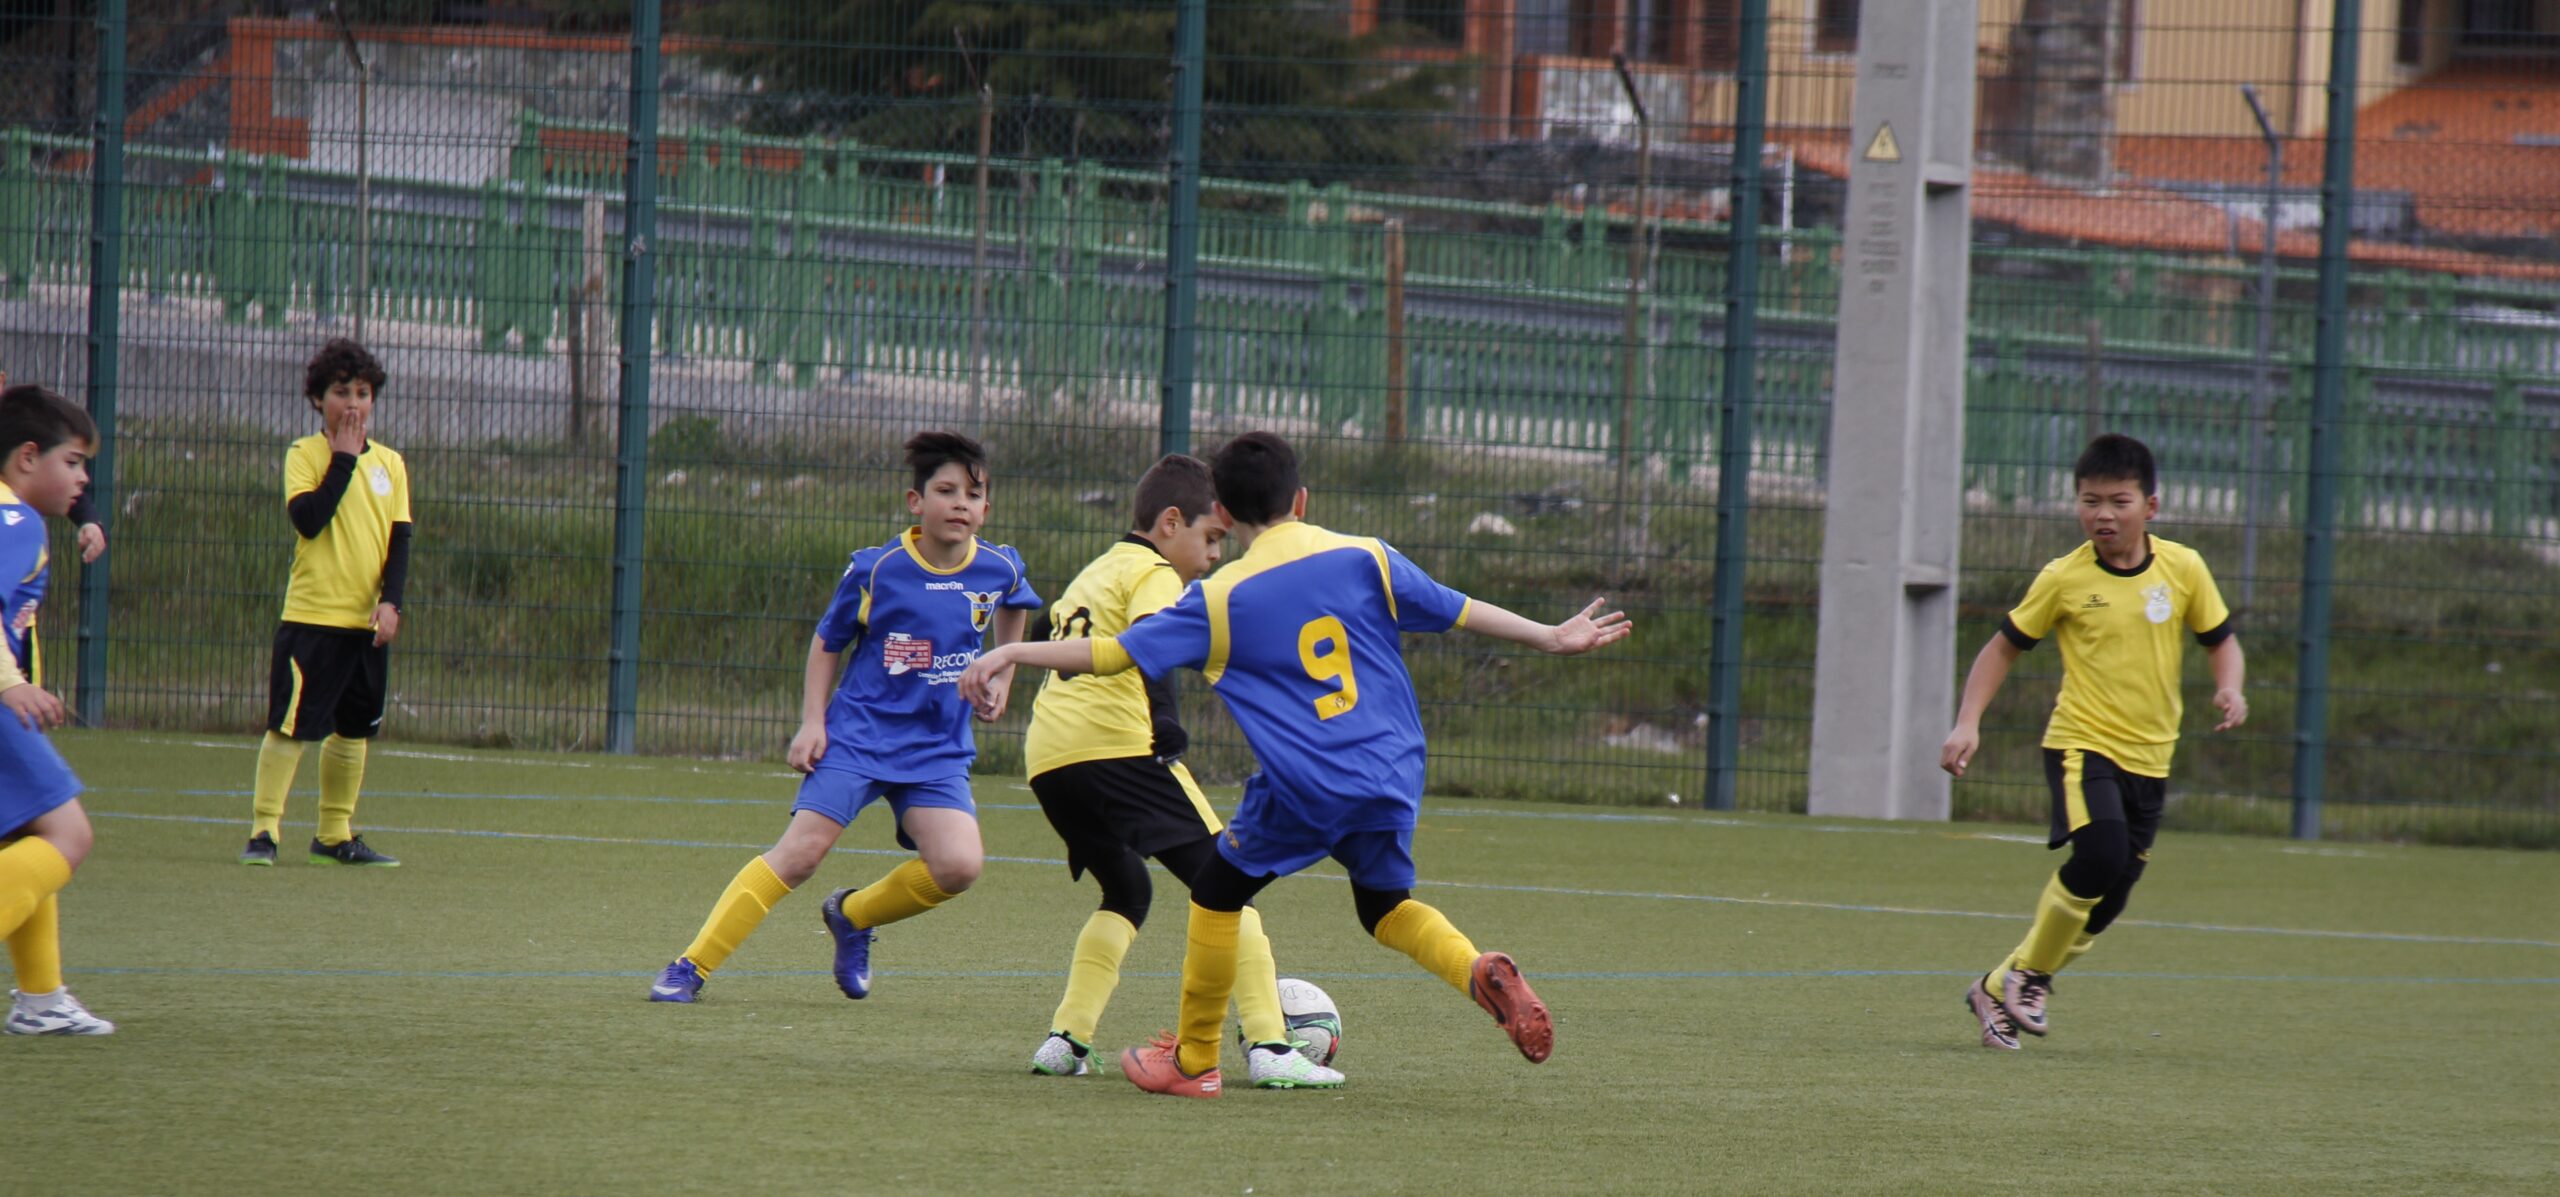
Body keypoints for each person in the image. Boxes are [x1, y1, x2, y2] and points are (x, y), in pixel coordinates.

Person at [961, 431, 1630, 1098]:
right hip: (1393, 771)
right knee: (1386, 908)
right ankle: (1475, 966)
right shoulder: (1365, 554)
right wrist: (1549, 634)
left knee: (1217, 891)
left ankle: (1193, 1060)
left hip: (1307, 782)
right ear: (1302, 498)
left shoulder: (1220, 597)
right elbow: (1456, 609)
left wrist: (1013, 654)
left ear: (1220, 509)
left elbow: (1112, 654)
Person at [648, 430, 1041, 1004]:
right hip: (859, 736)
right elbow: (827, 642)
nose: (960, 503)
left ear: (987, 508)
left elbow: (1015, 609)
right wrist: (813, 722)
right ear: (916, 502)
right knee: (801, 854)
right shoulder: (877, 570)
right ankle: (692, 965)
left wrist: (1001, 673)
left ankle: (853, 916)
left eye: (973, 495)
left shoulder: (999, 568)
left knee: (959, 866)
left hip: (936, 749)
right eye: (946, 490)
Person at [1020, 453, 1341, 1089]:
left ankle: (1066, 1039)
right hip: (1117, 748)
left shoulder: (1096, 570)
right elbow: (1150, 646)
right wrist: (1164, 720)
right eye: (1211, 536)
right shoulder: (1153, 571)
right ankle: (1273, 1046)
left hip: (1050, 759)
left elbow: (1056, 632)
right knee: (1231, 882)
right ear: (1170, 522)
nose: (1216, 553)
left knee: (1127, 892)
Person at [1942, 433, 2246, 1050]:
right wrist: (1967, 720)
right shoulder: (2064, 578)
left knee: (2106, 904)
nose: (2103, 514)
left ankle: (1996, 985)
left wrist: (2230, 689)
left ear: (2150, 506)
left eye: (2119, 501)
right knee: (2100, 855)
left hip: (2152, 759)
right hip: (2081, 746)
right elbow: (2003, 646)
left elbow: (2221, 641)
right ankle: (2029, 977)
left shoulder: (2183, 569)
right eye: (2090, 501)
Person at [239, 338, 412, 868]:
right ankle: (264, 832)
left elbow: (399, 540)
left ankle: (334, 835)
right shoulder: (305, 454)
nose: (354, 404)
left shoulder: (391, 465)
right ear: (318, 399)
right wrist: (341, 459)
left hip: (365, 624)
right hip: (312, 619)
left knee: (354, 728)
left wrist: (391, 605)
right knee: (291, 726)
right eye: (342, 392)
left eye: (363, 392)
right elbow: (309, 519)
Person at [0, 383, 113, 1035]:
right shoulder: (16, 521)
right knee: (69, 834)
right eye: (72, 462)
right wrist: (10, 682)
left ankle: (41, 1000)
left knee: (26, 834)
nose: (83, 477)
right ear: (26, 457)